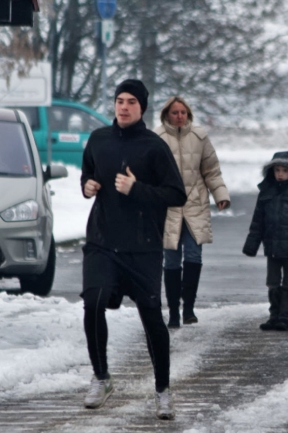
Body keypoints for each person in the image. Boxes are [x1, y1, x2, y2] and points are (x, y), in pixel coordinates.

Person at [80, 79, 186, 419]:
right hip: (102, 241)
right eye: (119, 101)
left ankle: (163, 390)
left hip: (143, 248)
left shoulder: (153, 147)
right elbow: (87, 173)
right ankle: (101, 377)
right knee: (93, 302)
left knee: (152, 319)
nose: (123, 107)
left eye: (131, 102)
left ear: (142, 108)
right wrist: (88, 185)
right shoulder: (98, 139)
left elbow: (176, 194)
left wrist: (137, 188)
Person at [154, 96, 230, 328]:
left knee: (194, 256)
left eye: (183, 112)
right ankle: (174, 311)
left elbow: (211, 170)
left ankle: (189, 308)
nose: (179, 116)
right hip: (168, 206)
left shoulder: (199, 137)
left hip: (195, 204)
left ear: (188, 115)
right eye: (175, 113)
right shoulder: (157, 138)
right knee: (172, 260)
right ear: (167, 114)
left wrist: (221, 195)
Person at [242, 151, 288, 332]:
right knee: (273, 282)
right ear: (271, 171)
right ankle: (274, 315)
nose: (280, 174)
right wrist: (251, 245)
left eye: (284, 170)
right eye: (277, 170)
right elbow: (258, 221)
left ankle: (286, 317)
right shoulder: (266, 193)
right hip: (272, 247)